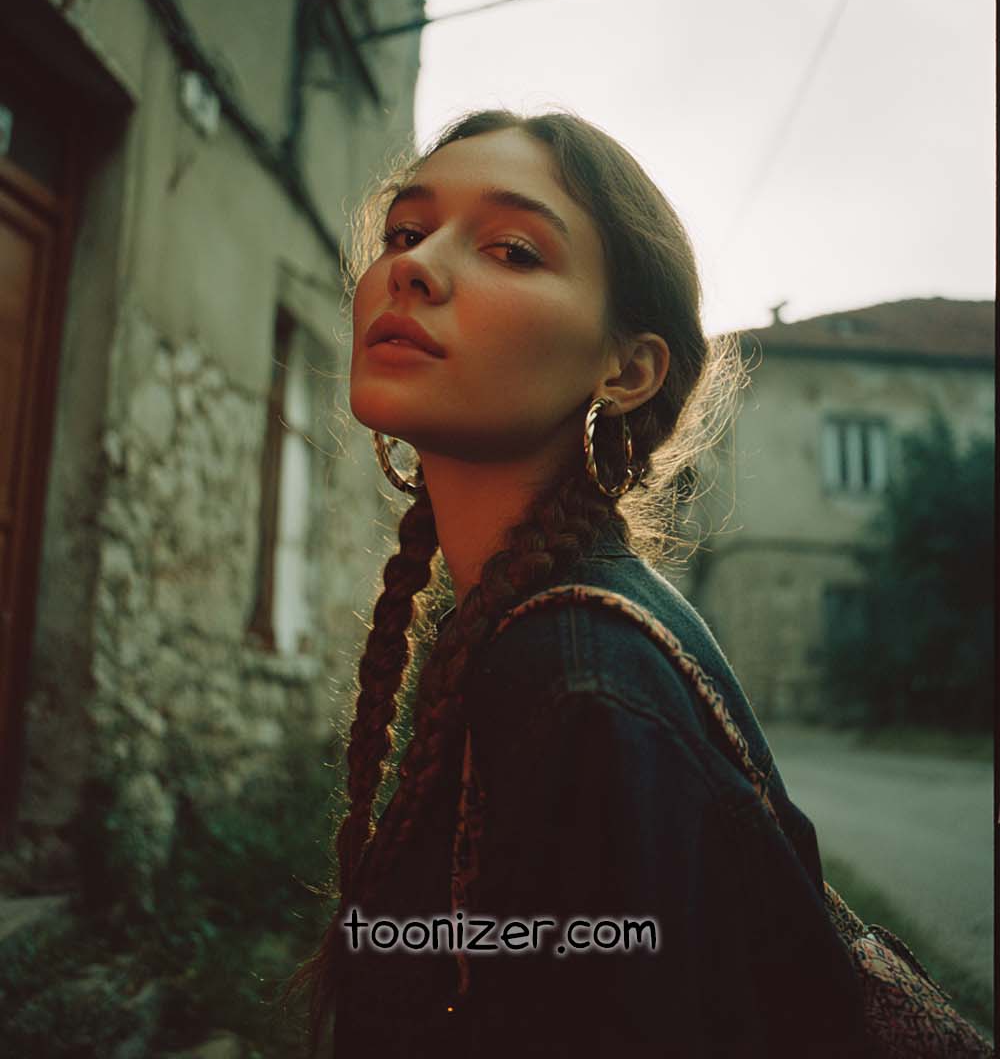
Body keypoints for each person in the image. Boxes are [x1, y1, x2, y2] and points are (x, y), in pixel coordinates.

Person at [286, 110, 869, 1058]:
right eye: (404, 231)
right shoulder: (530, 630)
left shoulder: (578, 674)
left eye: (513, 250)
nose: (414, 266)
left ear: (627, 370)